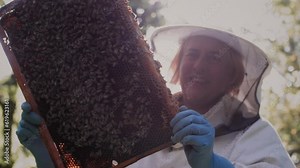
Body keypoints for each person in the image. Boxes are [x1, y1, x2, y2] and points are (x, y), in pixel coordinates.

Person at [16, 25, 296, 168]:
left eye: (214, 58)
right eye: (192, 54)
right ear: (177, 63)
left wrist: (212, 164)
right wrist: (50, 158)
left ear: (233, 76)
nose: (198, 66)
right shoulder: (131, 123)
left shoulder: (255, 134)